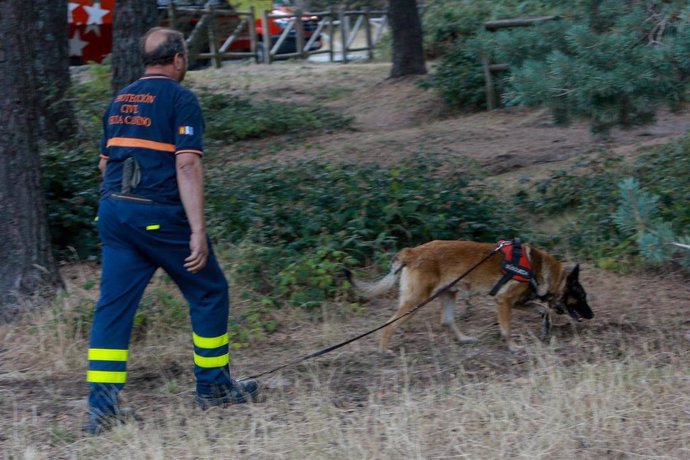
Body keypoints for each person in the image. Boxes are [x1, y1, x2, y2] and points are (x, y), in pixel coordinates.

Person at [86, 27, 258, 435]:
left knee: (112, 309)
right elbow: (186, 164)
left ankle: (102, 410)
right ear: (178, 58)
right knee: (209, 290)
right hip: (158, 216)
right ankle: (214, 388)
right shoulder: (181, 99)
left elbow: (103, 165)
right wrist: (197, 229)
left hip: (114, 213)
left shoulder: (120, 99)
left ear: (147, 61)